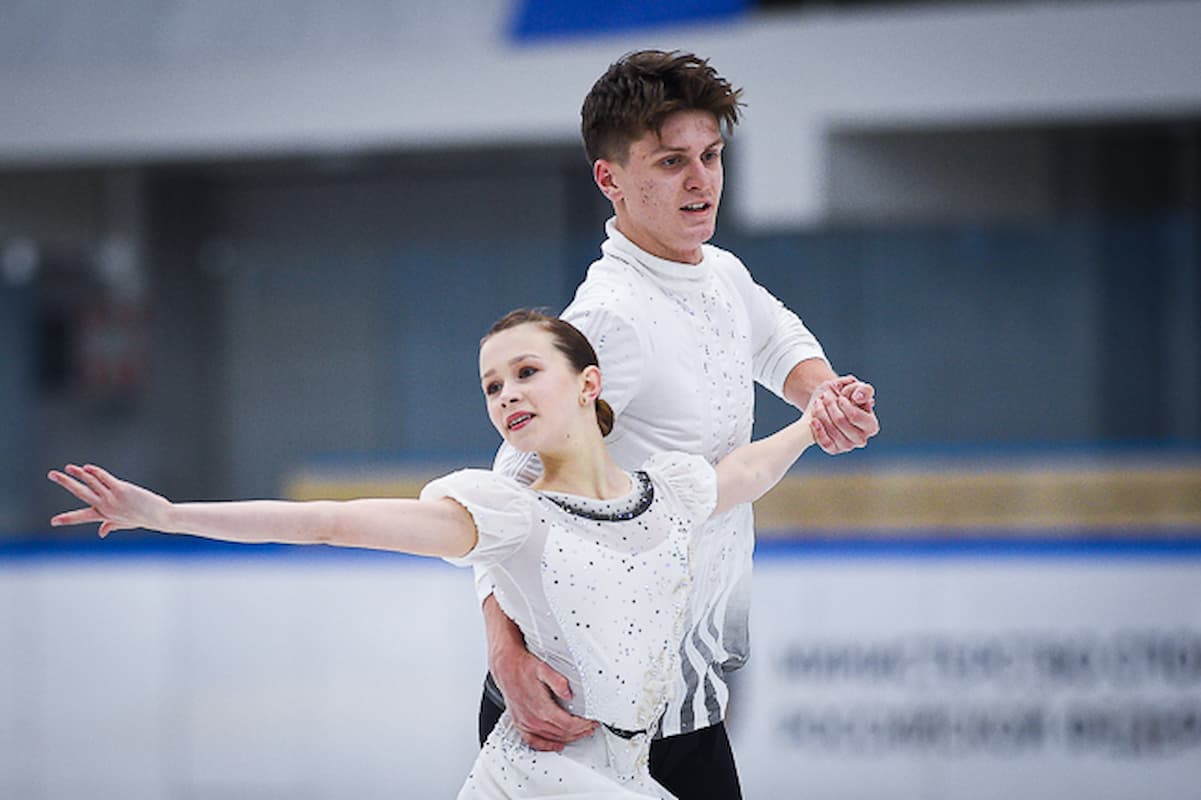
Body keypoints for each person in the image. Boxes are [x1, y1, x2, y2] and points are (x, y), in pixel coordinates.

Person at [47, 309, 857, 799]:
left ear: (588, 383)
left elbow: (745, 472)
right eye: (491, 386)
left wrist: (815, 418)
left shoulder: (672, 489)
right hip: (547, 778)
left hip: (630, 768)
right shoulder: (506, 511)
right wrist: (166, 512)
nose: (506, 395)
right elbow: (328, 525)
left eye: (525, 372)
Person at [477, 51, 881, 799]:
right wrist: (504, 652)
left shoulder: (716, 272)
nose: (701, 182)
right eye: (670, 163)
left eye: (710, 155)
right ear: (611, 180)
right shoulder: (608, 319)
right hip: (579, 696)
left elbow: (775, 338)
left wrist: (822, 394)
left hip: (677, 681)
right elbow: (509, 485)